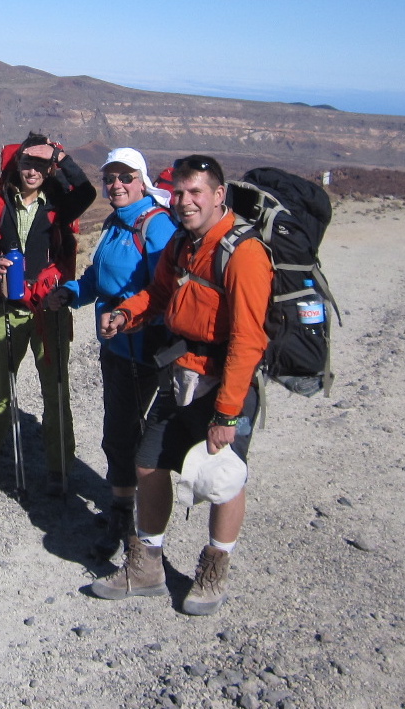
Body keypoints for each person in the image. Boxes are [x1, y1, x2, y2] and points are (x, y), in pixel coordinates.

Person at [91, 154, 272, 615]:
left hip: (226, 381)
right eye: (180, 192)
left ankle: (214, 570)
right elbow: (161, 294)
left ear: (218, 196)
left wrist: (228, 413)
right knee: (149, 463)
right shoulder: (184, 244)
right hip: (182, 370)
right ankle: (148, 567)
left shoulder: (243, 254)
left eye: (196, 193)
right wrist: (127, 313)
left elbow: (249, 340)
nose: (185, 201)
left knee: (224, 479)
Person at [43, 148, 177, 558]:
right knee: (118, 433)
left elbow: (164, 290)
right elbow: (98, 278)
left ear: (142, 181)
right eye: (110, 178)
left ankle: (135, 522)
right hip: (117, 346)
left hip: (146, 348)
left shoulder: (157, 227)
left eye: (125, 177)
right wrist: (72, 293)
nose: (116, 185)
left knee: (132, 437)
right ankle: (122, 509)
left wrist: (126, 314)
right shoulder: (116, 223)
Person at [0, 133, 95, 495]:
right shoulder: (1, 205)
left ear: (49, 167)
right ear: (16, 165)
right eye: (26, 163)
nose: (32, 170)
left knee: (55, 390)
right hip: (8, 307)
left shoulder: (59, 205)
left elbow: (87, 192)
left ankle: (60, 467)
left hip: (49, 309)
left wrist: (58, 154)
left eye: (39, 164)